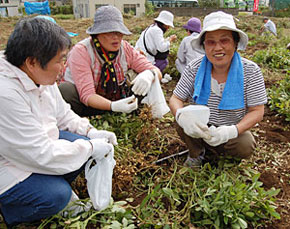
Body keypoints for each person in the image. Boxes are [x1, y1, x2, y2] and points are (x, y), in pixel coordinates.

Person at [0, 17, 118, 227]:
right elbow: (39, 153)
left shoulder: (39, 75)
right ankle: (12, 209)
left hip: (30, 147)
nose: (64, 67)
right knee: (56, 195)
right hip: (8, 165)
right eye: (61, 60)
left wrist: (91, 132)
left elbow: (63, 114)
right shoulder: (6, 94)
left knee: (79, 145)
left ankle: (44, 182)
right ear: (32, 62)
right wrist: (90, 147)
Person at [169, 11, 267, 167]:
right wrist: (181, 116)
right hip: (201, 127)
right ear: (204, 46)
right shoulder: (194, 68)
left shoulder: (251, 71)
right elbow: (176, 99)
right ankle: (197, 153)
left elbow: (257, 110)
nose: (218, 47)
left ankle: (224, 156)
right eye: (211, 42)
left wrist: (231, 131)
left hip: (231, 130)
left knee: (245, 144)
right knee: (181, 118)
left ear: (235, 43)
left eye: (224, 40)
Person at [59, 5, 162, 117]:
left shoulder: (125, 49)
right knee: (66, 91)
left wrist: (150, 74)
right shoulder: (82, 51)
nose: (116, 37)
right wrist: (113, 106)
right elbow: (87, 95)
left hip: (117, 99)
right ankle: (82, 118)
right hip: (87, 105)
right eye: (109, 32)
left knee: (146, 78)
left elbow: (157, 72)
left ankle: (129, 113)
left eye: (119, 32)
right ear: (97, 34)